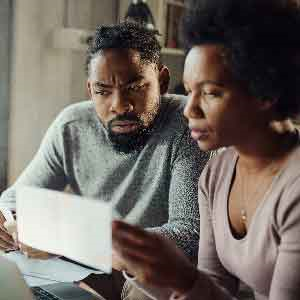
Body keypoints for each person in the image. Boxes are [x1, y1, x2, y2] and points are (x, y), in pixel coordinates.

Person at [0, 22, 211, 298]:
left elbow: (188, 235)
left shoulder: (188, 123)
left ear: (162, 81)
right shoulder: (72, 125)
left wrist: (69, 238)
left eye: (134, 87)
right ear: (90, 90)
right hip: (83, 270)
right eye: (103, 91)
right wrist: (6, 220)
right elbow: (15, 198)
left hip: (149, 275)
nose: (119, 105)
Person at [112, 1, 300, 299]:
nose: (190, 109)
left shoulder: (294, 189)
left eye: (211, 92)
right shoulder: (217, 173)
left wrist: (183, 277)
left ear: (266, 91)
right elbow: (214, 287)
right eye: (189, 91)